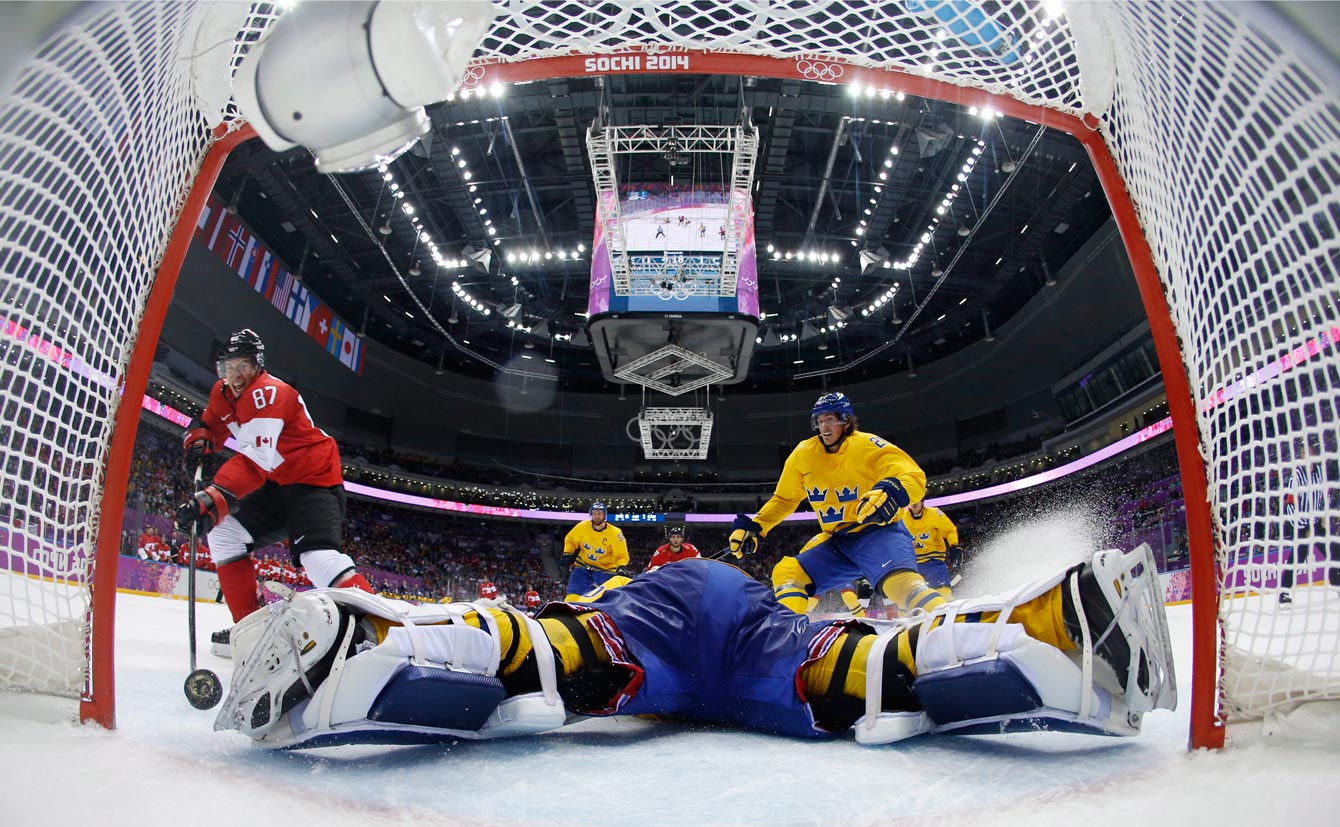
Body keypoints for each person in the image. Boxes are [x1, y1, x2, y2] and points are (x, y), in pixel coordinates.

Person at [213, 545, 1177, 751]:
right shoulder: (760, 574)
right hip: (744, 611)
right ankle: (1067, 616)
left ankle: (360, 633)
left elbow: (573, 611)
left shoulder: (617, 574)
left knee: (551, 653)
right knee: (864, 671)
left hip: (660, 617)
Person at [174, 329, 373, 657]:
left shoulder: (269, 392)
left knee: (318, 560)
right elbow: (212, 422)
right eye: (229, 368)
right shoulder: (222, 392)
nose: (236, 376)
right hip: (277, 483)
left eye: (244, 367)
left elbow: (254, 462)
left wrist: (211, 499)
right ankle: (253, 630)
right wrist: (199, 438)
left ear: (258, 366)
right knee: (224, 534)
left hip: (314, 483)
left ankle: (379, 631)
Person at [730, 392, 944, 617]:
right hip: (840, 543)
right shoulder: (803, 454)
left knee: (901, 585)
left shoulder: (866, 444)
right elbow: (785, 498)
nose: (824, 426)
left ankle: (951, 621)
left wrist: (892, 491)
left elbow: (913, 476)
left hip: (879, 534)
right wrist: (756, 526)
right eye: (820, 421)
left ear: (846, 420)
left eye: (830, 419)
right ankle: (788, 633)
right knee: (788, 572)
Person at [1279, 434, 1326, 607]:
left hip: (1315, 522)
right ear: (1300, 453)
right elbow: (1290, 506)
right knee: (1298, 558)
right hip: (1299, 524)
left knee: (1333, 550)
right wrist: (1304, 527)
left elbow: (1323, 495)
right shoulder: (1296, 476)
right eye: (1303, 450)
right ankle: (1284, 593)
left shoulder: (1320, 472)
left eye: (1309, 450)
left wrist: (1322, 517)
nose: (1307, 453)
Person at [561, 501, 628, 600]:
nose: (597, 516)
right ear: (591, 515)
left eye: (599, 513)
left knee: (603, 599)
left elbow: (621, 553)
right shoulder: (582, 527)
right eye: (594, 513)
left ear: (604, 515)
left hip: (605, 570)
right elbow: (570, 540)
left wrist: (621, 566)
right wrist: (567, 553)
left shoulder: (615, 533)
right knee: (572, 597)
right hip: (582, 566)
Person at [898, 499, 961, 600]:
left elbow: (950, 530)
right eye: (912, 500)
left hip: (933, 561)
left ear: (922, 502)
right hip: (913, 563)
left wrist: (954, 546)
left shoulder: (934, 514)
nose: (914, 503)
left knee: (943, 594)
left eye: (917, 500)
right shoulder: (902, 517)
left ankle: (946, 609)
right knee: (910, 598)